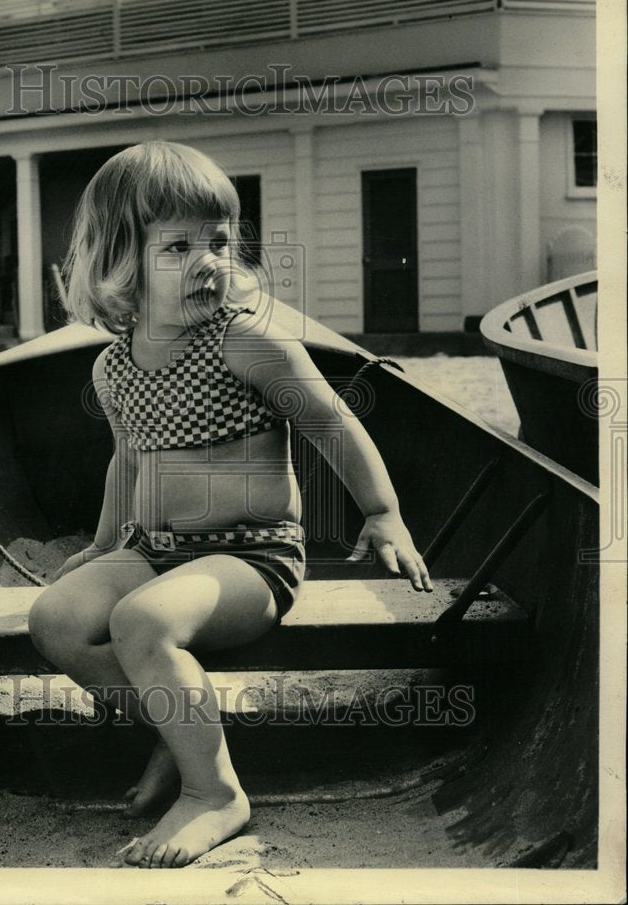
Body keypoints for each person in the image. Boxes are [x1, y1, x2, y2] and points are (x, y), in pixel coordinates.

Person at [28, 142, 432, 868]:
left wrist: (382, 511)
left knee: (141, 620)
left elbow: (331, 422)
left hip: (252, 556)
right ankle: (173, 732)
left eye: (220, 240)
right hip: (153, 550)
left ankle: (215, 792)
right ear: (122, 262)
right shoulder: (113, 364)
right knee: (55, 617)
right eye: (178, 246)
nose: (210, 260)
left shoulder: (244, 341)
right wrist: (99, 545)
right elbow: (129, 459)